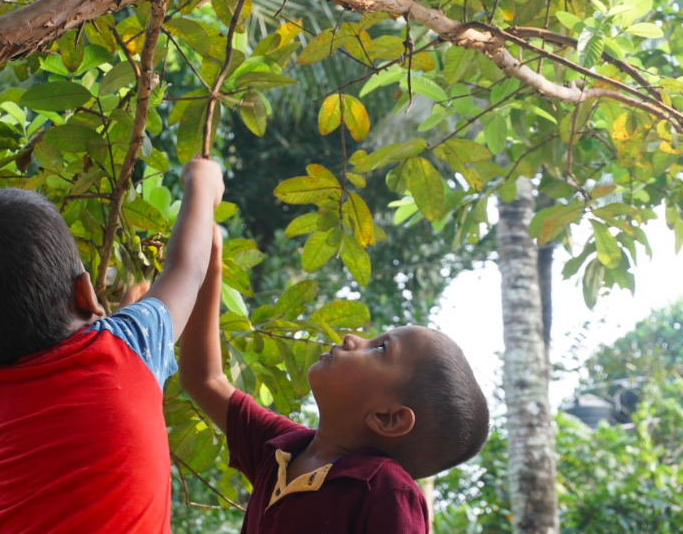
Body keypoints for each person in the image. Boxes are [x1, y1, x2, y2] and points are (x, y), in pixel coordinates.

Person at [0, 158, 224, 534]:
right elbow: (186, 268)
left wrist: (122, 321)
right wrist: (202, 184)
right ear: (85, 293)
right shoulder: (131, 346)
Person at [179, 228, 490, 533]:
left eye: (380, 348)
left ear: (387, 417)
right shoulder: (280, 448)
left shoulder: (385, 491)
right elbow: (204, 379)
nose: (353, 338)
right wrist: (210, 262)